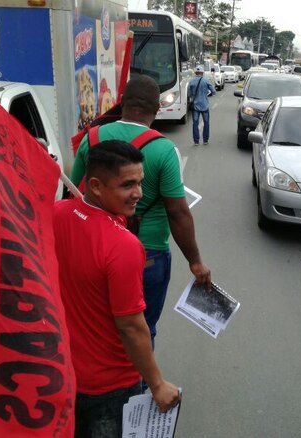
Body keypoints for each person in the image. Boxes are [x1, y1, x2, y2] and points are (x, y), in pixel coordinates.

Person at [71, 74, 212, 352]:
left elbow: (74, 194)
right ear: (156, 109)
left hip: (93, 248)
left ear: (121, 102)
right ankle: (139, 389)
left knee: (97, 325)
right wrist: (195, 261)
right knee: (142, 329)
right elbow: (178, 212)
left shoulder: (93, 137)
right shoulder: (163, 149)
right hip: (146, 254)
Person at [55, 140, 181, 436]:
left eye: (140, 182)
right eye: (128, 185)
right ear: (96, 186)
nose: (139, 193)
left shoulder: (56, 213)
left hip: (63, 373)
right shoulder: (123, 246)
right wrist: (157, 384)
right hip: (110, 386)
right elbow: (132, 327)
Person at [187, 65, 216, 146]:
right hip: (205, 106)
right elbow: (213, 91)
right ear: (202, 73)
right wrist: (206, 93)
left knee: (195, 123)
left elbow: (189, 94)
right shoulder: (206, 81)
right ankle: (205, 140)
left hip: (195, 106)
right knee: (206, 123)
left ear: (196, 73)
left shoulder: (191, 82)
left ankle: (196, 141)